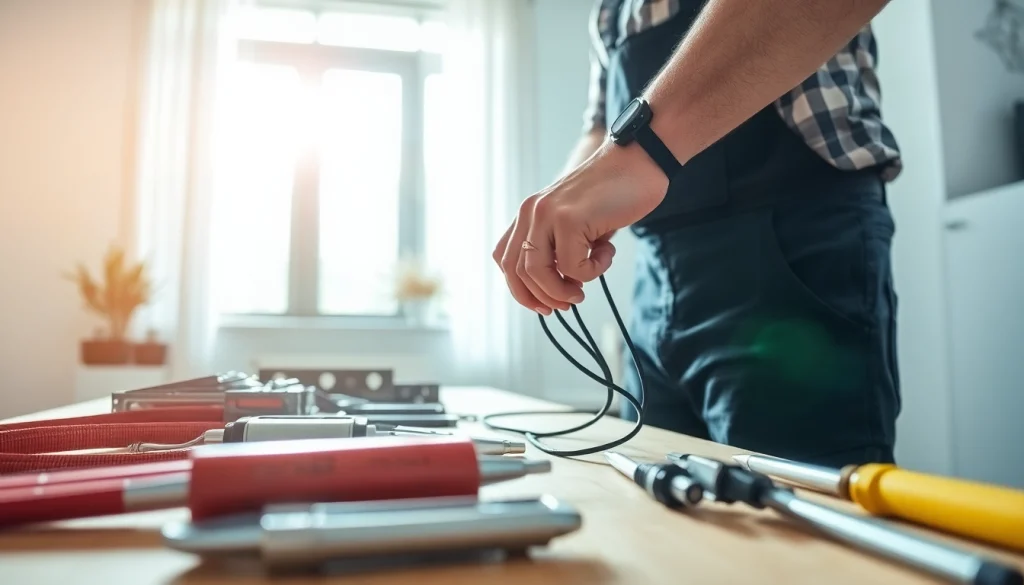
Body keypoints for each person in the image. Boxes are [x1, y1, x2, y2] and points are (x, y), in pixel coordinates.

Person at [492, 0, 902, 469]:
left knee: (798, 516)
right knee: (650, 501)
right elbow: (603, 130)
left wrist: (639, 149)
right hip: (656, 287)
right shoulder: (610, 11)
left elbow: (623, 149)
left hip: (791, 258)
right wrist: (552, 210)